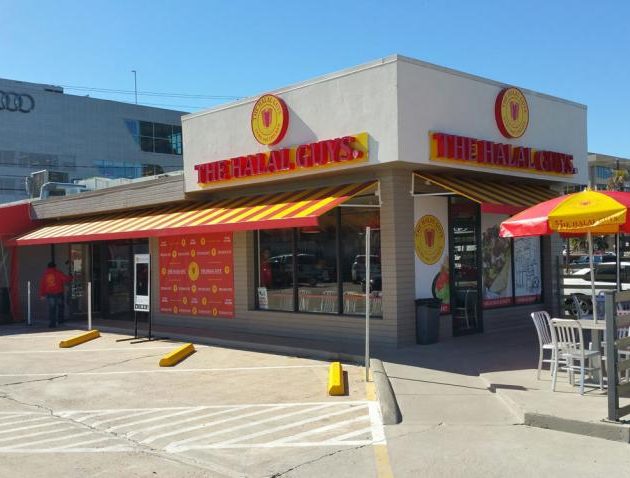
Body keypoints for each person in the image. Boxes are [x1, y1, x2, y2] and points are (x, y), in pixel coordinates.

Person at [39, 261, 72, 328]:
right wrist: (71, 276)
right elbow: (66, 279)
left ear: (48, 267)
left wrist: (42, 294)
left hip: (50, 293)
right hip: (59, 293)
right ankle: (60, 320)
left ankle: (52, 323)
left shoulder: (45, 275)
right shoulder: (58, 273)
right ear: (55, 267)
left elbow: (42, 285)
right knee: (60, 307)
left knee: (52, 309)